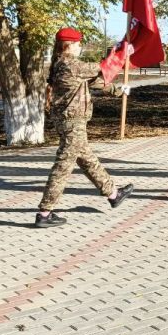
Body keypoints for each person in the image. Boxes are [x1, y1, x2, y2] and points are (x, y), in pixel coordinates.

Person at [36, 27, 134, 228]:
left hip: (69, 121)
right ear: (69, 45)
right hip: (73, 122)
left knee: (87, 159)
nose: (80, 47)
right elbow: (103, 69)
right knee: (62, 167)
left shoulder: (62, 65)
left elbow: (95, 82)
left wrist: (118, 90)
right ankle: (45, 213)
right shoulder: (70, 65)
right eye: (79, 44)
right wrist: (122, 52)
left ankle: (113, 194)